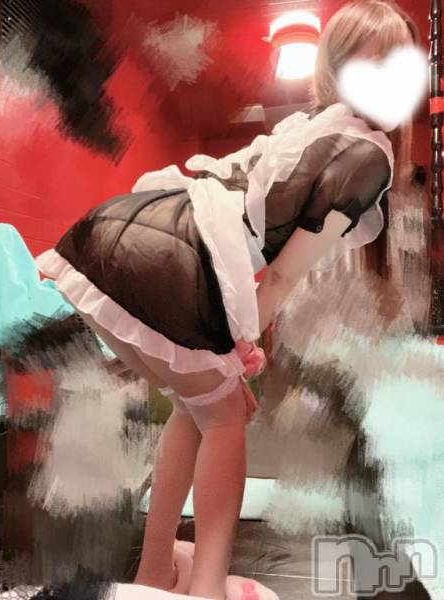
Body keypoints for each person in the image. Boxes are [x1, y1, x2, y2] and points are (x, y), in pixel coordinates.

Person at [36, 1, 424, 599]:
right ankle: (208, 586)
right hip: (172, 257)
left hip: (116, 233)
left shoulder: (313, 128)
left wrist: (233, 351)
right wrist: (239, 350)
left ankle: (156, 570)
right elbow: (284, 276)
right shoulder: (367, 154)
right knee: (224, 417)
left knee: (196, 408)